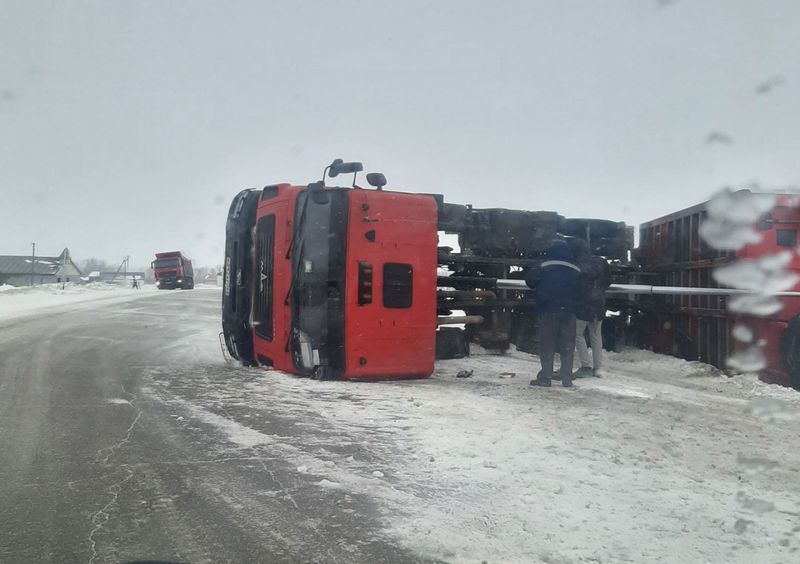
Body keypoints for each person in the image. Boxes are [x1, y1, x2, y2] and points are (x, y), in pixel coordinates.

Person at [525, 238, 580, 387]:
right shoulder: (575, 268)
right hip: (569, 311)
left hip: (548, 309)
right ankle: (567, 378)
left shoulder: (544, 265)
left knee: (547, 344)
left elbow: (530, 281)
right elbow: (583, 288)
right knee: (568, 345)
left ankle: (546, 378)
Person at [574, 252, 611, 377]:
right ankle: (598, 367)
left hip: (584, 304)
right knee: (596, 335)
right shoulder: (602, 262)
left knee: (577, 333)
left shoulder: (579, 263)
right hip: (598, 304)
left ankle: (585, 365)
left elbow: (575, 283)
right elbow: (608, 281)